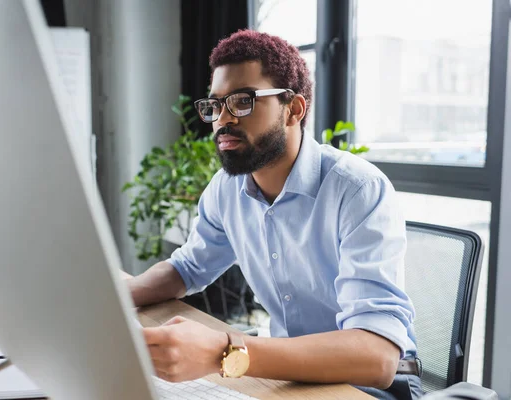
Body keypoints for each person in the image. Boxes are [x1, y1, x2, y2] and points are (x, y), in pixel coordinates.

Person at [126, 29, 423, 400]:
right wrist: (122, 293)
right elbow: (188, 268)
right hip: (292, 377)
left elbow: (377, 357)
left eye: (242, 102)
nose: (222, 120)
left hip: (368, 386)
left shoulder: (357, 189)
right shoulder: (227, 188)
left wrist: (224, 351)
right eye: (216, 105)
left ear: (293, 110)